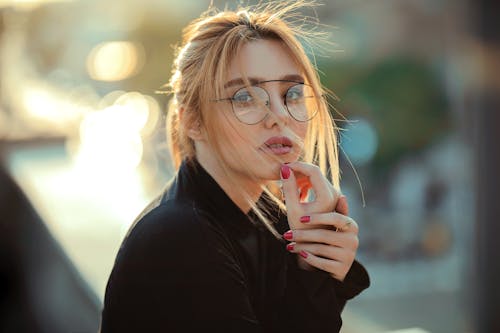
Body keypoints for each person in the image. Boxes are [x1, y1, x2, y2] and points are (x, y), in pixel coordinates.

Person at [100, 1, 369, 332]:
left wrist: (314, 263)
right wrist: (312, 282)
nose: (280, 116)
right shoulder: (180, 239)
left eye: (293, 93)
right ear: (193, 121)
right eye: (245, 98)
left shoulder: (269, 221)